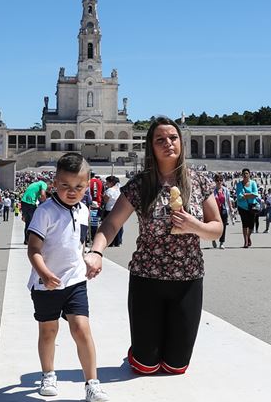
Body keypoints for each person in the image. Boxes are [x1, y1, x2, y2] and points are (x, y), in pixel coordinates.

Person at [87, 117, 222, 376]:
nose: (168, 143)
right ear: (151, 146)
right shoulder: (141, 185)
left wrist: (195, 225)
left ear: (181, 142)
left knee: (176, 366)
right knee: (146, 366)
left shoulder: (199, 182)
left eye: (173, 138)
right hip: (147, 278)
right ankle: (139, 351)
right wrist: (96, 251)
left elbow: (217, 226)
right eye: (160, 139)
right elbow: (111, 224)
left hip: (187, 278)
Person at [26, 153, 109, 401]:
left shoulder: (84, 210)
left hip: (74, 281)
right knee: (48, 331)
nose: (72, 191)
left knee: (82, 329)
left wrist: (87, 260)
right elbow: (33, 249)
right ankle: (48, 373)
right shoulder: (45, 211)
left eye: (79, 187)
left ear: (87, 185)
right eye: (65, 186)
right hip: (46, 285)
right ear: (54, 182)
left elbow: (78, 243)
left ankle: (92, 382)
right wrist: (44, 273)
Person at [235, 168, 259, 248]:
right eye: (244, 174)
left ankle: (248, 236)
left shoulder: (253, 183)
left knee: (251, 225)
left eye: (247, 173)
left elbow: (256, 194)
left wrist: (245, 195)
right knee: (244, 224)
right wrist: (249, 195)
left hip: (252, 206)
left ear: (249, 174)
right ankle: (245, 241)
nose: (245, 175)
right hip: (242, 207)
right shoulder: (239, 185)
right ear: (242, 175)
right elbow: (239, 196)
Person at [21, 179, 50, 245]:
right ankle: (32, 240)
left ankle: (26, 240)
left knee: (28, 223)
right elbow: (43, 194)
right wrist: (47, 205)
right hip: (30, 203)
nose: (49, 190)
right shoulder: (43, 184)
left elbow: (40, 198)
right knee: (34, 222)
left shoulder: (35, 184)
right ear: (48, 184)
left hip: (24, 202)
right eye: (50, 187)